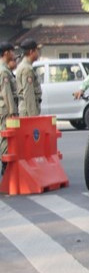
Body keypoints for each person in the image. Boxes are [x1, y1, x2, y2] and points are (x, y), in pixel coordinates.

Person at [0, 42, 18, 175]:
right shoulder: (3, 71)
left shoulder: (5, 69)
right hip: (6, 110)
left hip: (5, 109)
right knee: (6, 139)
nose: (13, 54)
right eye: (12, 52)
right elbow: (7, 93)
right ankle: (5, 169)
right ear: (6, 53)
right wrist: (13, 112)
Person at [15, 38, 42, 117]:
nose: (38, 53)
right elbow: (28, 94)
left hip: (27, 109)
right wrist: (33, 116)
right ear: (31, 52)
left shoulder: (25, 66)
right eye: (37, 50)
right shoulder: (27, 69)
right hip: (28, 111)